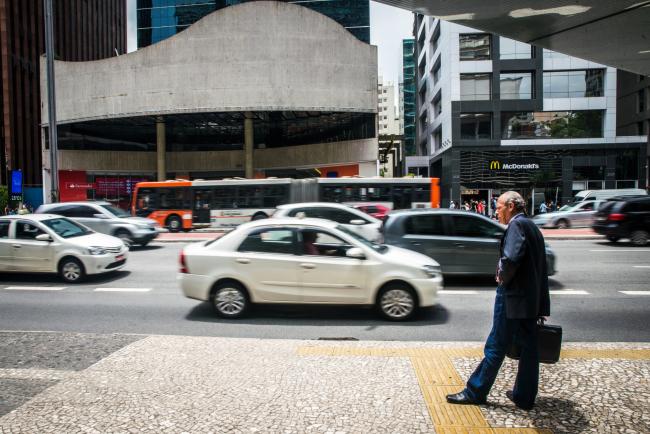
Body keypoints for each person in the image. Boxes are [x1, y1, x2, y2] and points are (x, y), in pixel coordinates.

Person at [446, 191, 550, 411]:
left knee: (496, 344)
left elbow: (511, 258)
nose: (497, 211)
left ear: (511, 206)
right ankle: (524, 397)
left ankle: (475, 391)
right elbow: (540, 269)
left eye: (500, 207)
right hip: (530, 301)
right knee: (530, 350)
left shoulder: (516, 226)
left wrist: (501, 275)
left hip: (512, 297)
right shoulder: (532, 227)